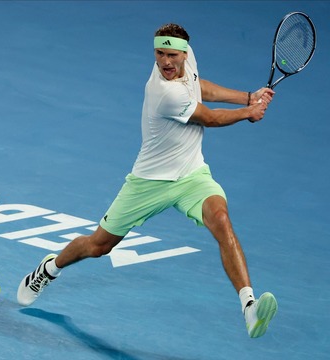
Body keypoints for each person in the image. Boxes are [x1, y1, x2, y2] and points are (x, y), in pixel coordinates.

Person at [17, 23, 278, 338]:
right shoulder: (163, 92)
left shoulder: (186, 64)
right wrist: (248, 111)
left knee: (222, 220)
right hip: (148, 182)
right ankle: (49, 269)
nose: (166, 62)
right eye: (159, 54)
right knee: (98, 246)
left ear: (184, 53)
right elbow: (208, 117)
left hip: (192, 175)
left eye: (171, 55)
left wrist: (247, 96)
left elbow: (200, 86)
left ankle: (249, 308)